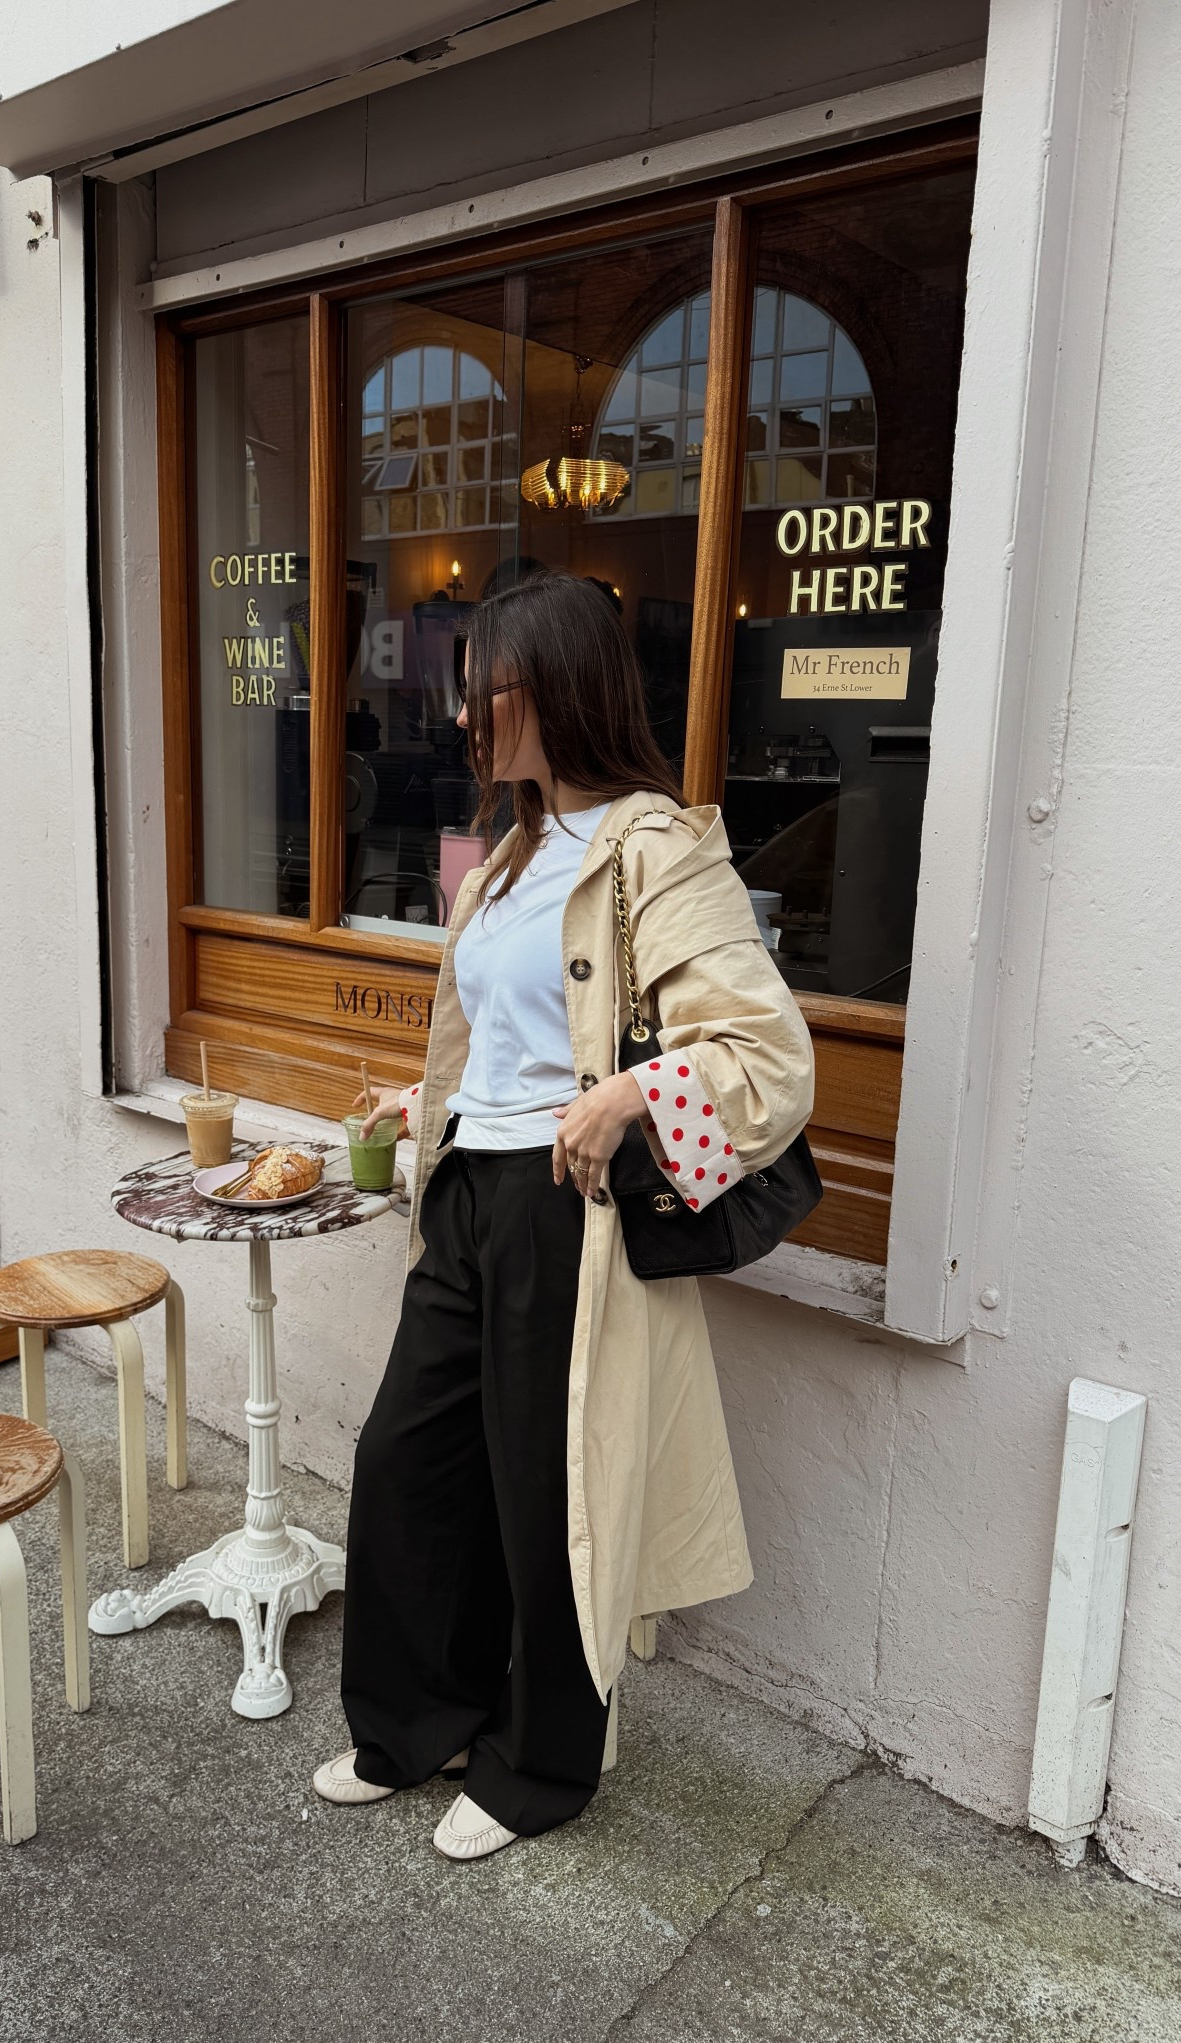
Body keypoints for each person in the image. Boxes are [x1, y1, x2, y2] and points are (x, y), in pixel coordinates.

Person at [314, 572, 815, 1860]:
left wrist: (634, 1097)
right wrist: (424, 1106)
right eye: (466, 682)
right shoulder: (512, 857)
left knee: (551, 1494)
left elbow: (771, 1066)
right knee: (409, 1461)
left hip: (562, 1212)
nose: (467, 707)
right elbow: (493, 1040)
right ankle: (418, 1722)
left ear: (560, 686)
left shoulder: (657, 849)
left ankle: (541, 1767)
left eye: (490, 682)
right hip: (467, 1190)